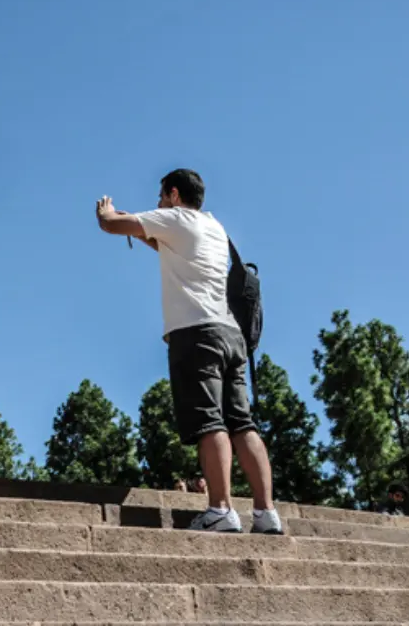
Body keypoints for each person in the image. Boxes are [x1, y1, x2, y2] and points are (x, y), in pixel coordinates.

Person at [95, 168, 282, 534]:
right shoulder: (213, 227)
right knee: (242, 423)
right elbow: (162, 243)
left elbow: (110, 225)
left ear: (175, 195)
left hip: (196, 334)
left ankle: (221, 509)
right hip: (231, 335)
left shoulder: (175, 218)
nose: (158, 203)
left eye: (162, 196)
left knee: (209, 421)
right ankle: (266, 512)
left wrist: (106, 209)